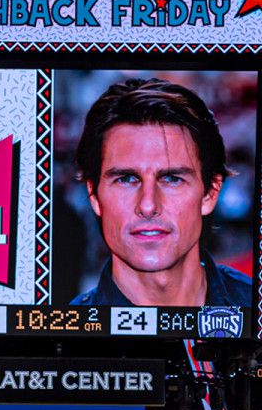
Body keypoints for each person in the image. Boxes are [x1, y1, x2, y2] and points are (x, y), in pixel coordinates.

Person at [69, 77, 250, 310]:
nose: (148, 205)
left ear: (210, 193)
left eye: (172, 179)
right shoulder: (68, 327)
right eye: (126, 179)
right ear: (94, 196)